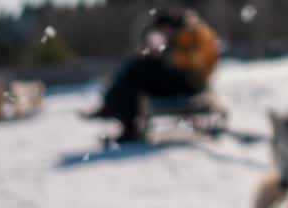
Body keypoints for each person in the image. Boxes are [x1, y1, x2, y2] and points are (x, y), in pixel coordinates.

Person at [82, 9, 220, 142]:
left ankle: (116, 110)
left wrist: (163, 56)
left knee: (138, 70)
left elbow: (193, 63)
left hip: (190, 84)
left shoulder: (192, 34)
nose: (162, 34)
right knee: (137, 68)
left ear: (168, 26)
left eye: (161, 30)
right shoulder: (186, 34)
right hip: (186, 81)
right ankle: (115, 108)